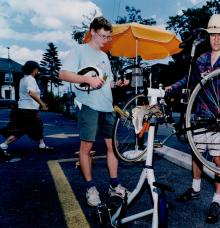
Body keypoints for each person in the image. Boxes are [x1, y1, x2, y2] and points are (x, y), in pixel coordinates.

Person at [165, 14, 220, 224]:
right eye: (212, 34)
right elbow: (187, 81)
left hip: (219, 118)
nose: (216, 38)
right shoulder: (202, 59)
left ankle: (217, 200)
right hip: (199, 116)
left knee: (218, 159)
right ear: (208, 36)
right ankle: (195, 189)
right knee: (197, 154)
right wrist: (171, 87)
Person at [59, 16, 129, 207]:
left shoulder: (104, 56)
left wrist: (117, 84)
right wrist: (87, 80)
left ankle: (114, 185)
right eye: (101, 36)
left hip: (107, 107)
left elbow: (106, 82)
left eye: (107, 37)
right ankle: (90, 188)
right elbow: (63, 74)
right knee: (86, 148)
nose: (104, 40)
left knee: (112, 147)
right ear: (92, 31)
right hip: (88, 106)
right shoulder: (80, 50)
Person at [0, 61, 53, 160]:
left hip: (26, 108)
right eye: (37, 69)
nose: (38, 71)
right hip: (28, 110)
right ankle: (3, 146)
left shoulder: (23, 79)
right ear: (33, 69)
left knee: (38, 126)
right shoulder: (30, 79)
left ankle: (42, 145)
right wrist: (42, 104)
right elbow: (31, 93)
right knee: (21, 130)